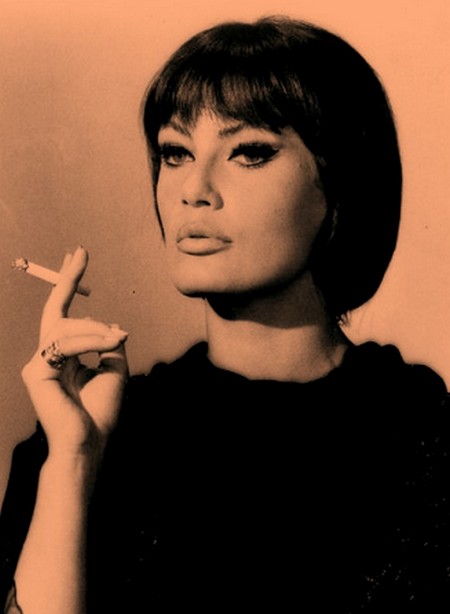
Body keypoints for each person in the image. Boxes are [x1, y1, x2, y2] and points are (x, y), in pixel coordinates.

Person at [1, 15, 449, 613]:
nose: (194, 189)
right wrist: (73, 464)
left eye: (249, 153)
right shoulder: (88, 431)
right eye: (175, 153)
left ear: (340, 185)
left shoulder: (424, 436)